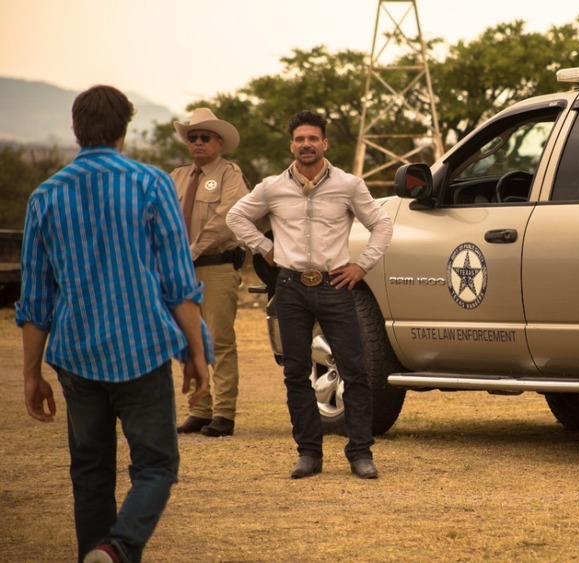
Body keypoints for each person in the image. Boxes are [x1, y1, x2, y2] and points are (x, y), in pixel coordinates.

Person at [17, 85, 211, 563]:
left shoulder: (46, 196)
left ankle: (96, 552)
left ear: (76, 129)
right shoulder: (151, 184)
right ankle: (118, 548)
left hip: (76, 356)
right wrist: (196, 352)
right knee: (157, 467)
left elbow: (36, 298)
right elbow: (178, 283)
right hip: (140, 349)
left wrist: (30, 372)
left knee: (89, 472)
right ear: (125, 129)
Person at [227, 110, 392, 480]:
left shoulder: (349, 185)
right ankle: (308, 453)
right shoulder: (272, 187)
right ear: (292, 145)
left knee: (355, 370)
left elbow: (381, 223)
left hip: (336, 284)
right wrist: (264, 247)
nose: (306, 145)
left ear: (324, 143)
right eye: (299, 139)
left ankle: (361, 453)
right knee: (295, 371)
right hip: (290, 286)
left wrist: (361, 265)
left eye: (312, 139)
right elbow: (236, 217)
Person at [171, 108, 248, 438]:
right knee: (189, 341)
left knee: (219, 340)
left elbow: (226, 218)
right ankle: (199, 410)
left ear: (219, 142)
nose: (198, 142)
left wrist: (191, 251)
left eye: (204, 137)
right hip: (181, 271)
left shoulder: (231, 175)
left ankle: (224, 414)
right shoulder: (176, 176)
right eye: (192, 137)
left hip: (215, 267)